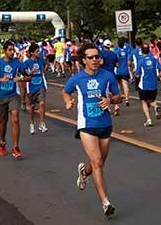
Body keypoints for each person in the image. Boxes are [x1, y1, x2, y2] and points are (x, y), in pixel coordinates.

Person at [62, 43, 122, 218]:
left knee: (99, 162)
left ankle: (84, 172)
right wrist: (68, 101)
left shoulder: (108, 76)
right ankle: (106, 203)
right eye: (91, 57)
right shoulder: (77, 78)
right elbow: (66, 92)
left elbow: (118, 96)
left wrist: (110, 100)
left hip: (105, 124)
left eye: (97, 56)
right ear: (83, 60)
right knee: (97, 161)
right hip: (87, 124)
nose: (95, 60)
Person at [0, 41, 24, 158]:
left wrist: (20, 78)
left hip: (14, 95)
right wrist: (0, 79)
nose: (12, 52)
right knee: (3, 120)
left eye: (13, 50)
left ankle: (16, 147)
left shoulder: (17, 63)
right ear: (4, 51)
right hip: (0, 96)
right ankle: (2, 142)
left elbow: (27, 76)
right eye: (10, 50)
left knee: (15, 117)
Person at [135, 44, 161, 126]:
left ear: (142, 51)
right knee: (152, 100)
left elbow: (137, 74)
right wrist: (158, 77)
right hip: (154, 84)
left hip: (144, 85)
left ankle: (149, 119)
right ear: (149, 50)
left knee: (144, 102)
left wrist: (135, 76)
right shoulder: (154, 59)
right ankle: (156, 106)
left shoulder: (141, 61)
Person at [23, 43, 49, 135]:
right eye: (37, 51)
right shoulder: (27, 62)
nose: (39, 53)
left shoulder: (41, 60)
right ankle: (31, 123)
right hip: (31, 86)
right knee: (32, 107)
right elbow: (24, 74)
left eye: (39, 51)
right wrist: (31, 72)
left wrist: (45, 84)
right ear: (31, 53)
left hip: (40, 85)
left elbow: (43, 71)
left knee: (42, 103)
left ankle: (42, 123)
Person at [114, 37, 131, 113]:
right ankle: (127, 99)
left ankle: (119, 98)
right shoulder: (126, 51)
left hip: (118, 71)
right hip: (125, 70)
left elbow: (115, 62)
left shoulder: (116, 51)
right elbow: (129, 60)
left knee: (118, 85)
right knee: (125, 85)